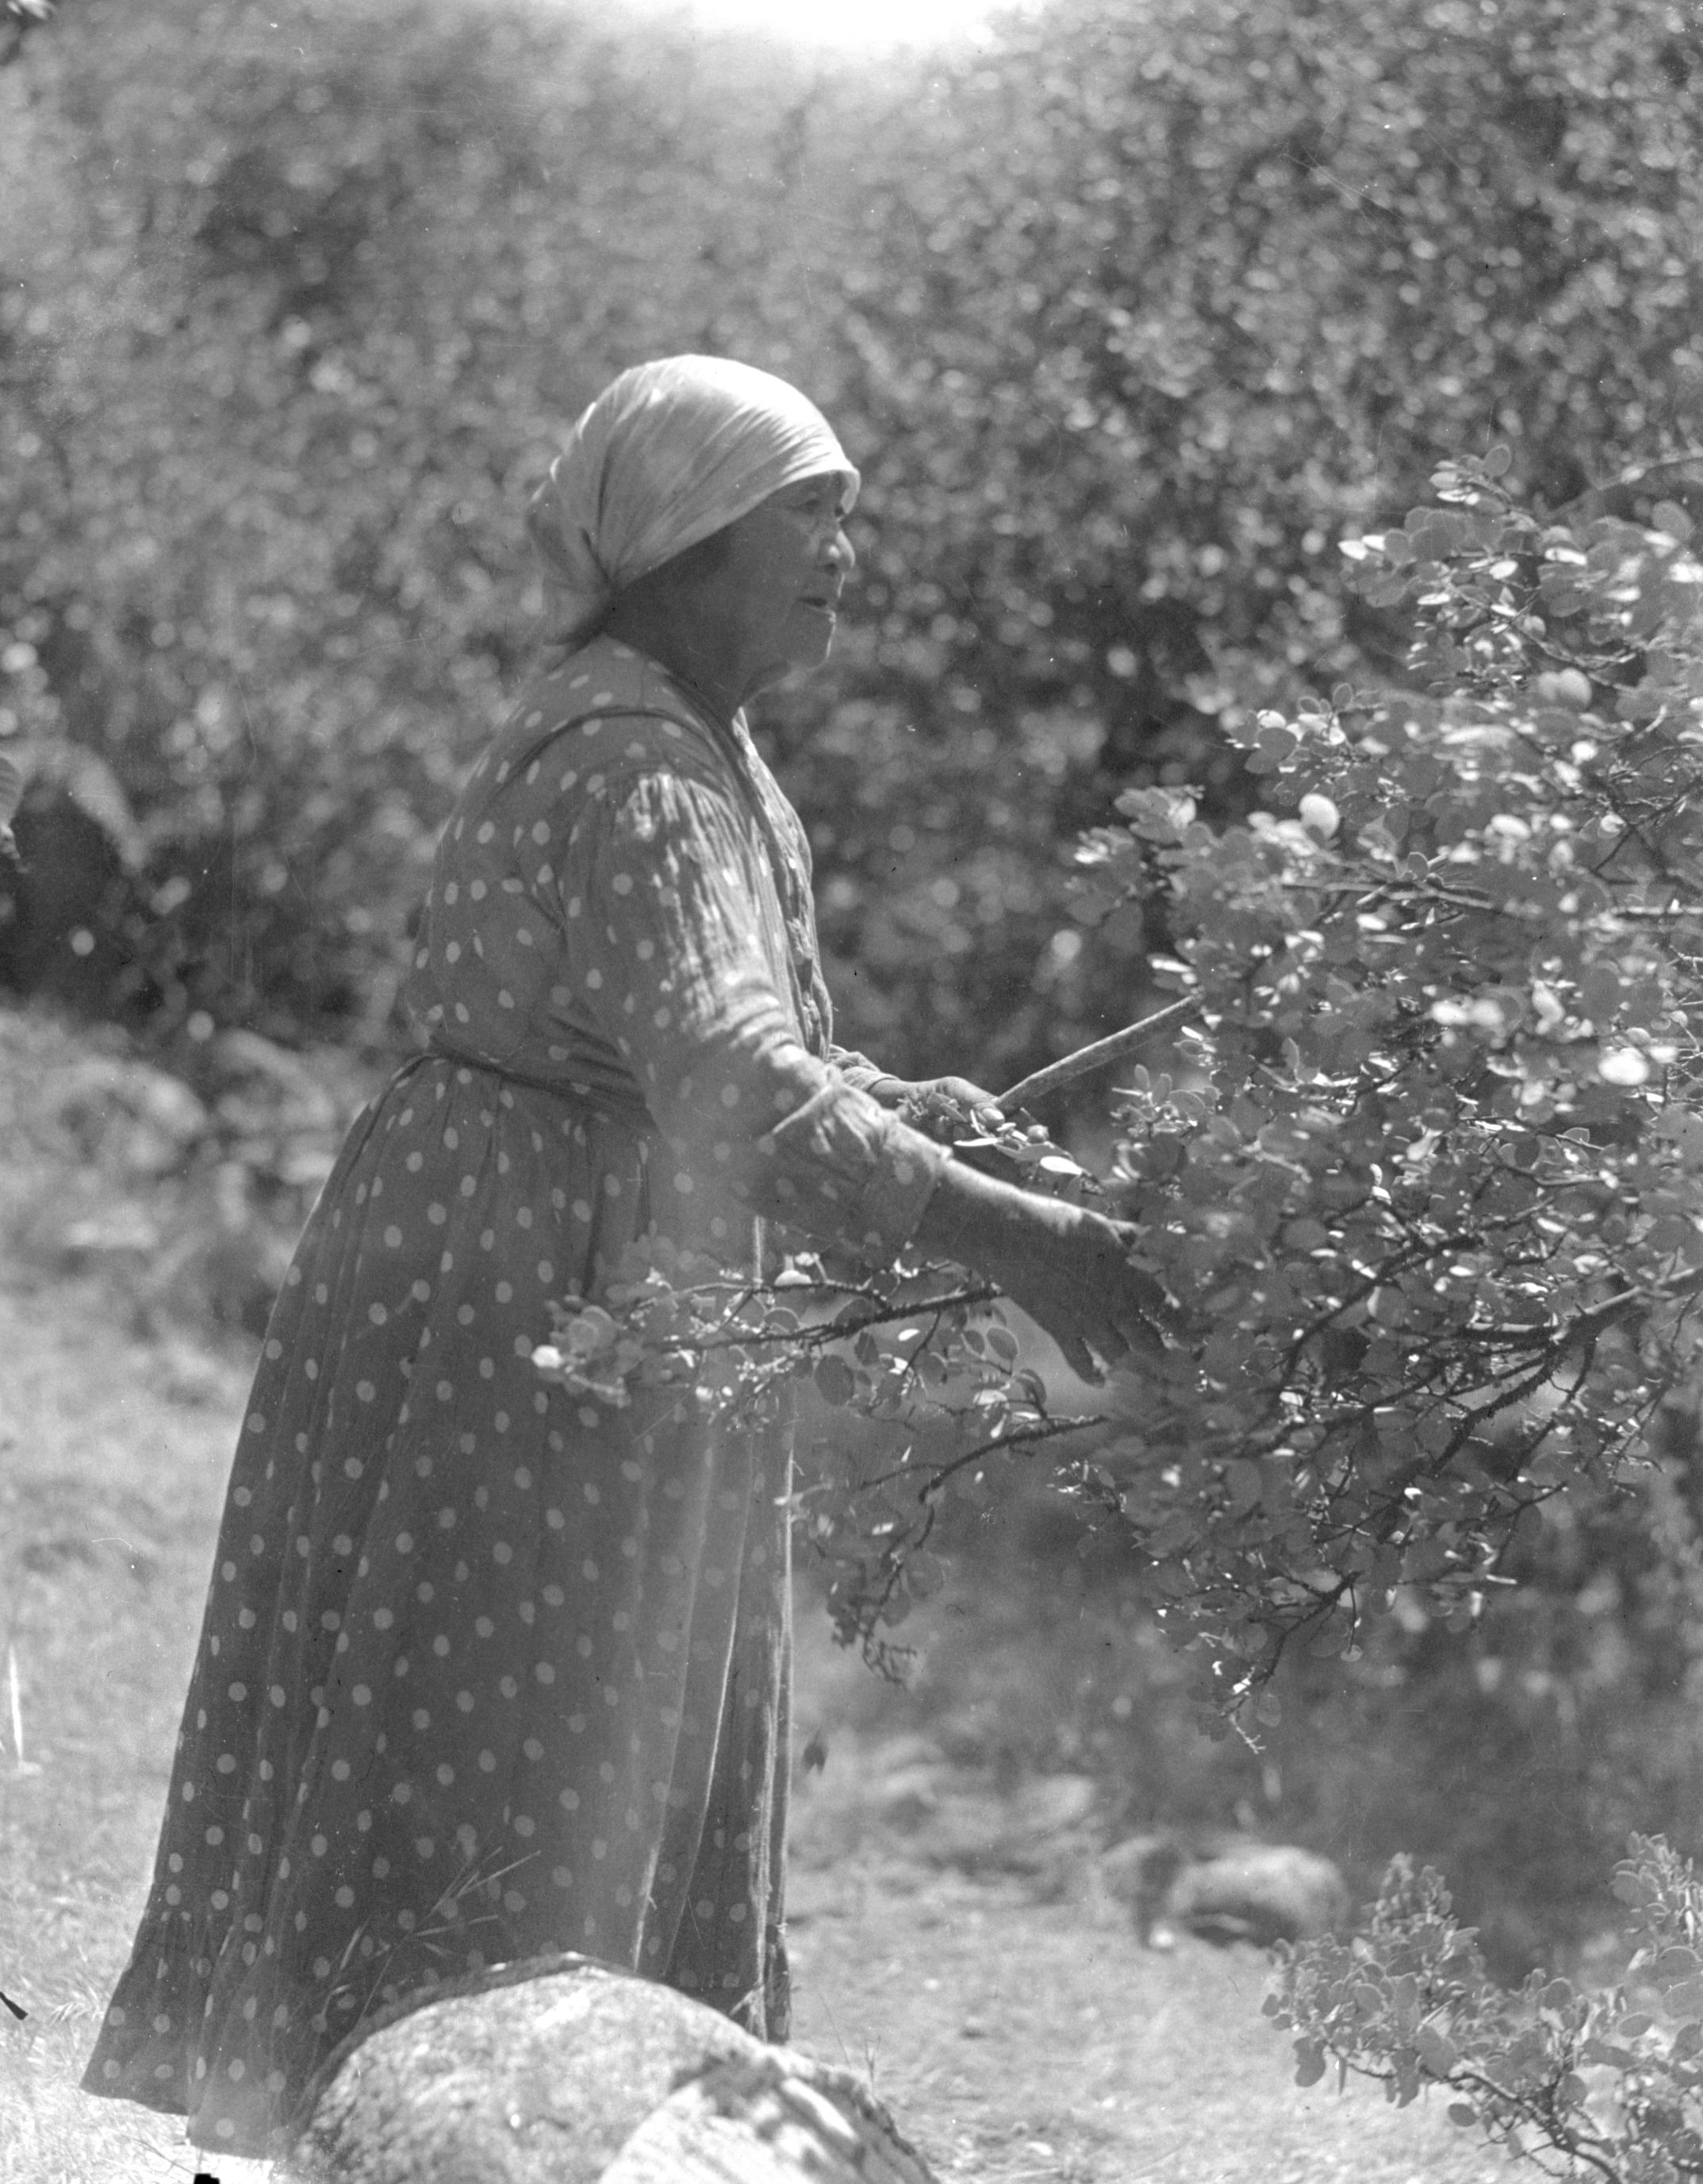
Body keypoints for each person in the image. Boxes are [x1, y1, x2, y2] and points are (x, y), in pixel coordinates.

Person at [81, 355, 1168, 2155]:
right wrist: (1013, 1235)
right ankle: (469, 2118)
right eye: (807, 514)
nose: (845, 549)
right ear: (686, 538)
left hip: (536, 1258)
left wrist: (912, 1108)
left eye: (844, 512)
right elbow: (729, 1076)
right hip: (540, 1305)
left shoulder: (687, 737)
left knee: (489, 1711)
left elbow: (722, 1039)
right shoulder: (642, 765)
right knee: (520, 1731)